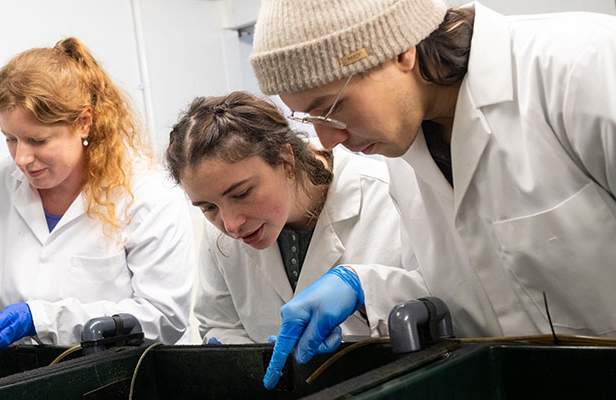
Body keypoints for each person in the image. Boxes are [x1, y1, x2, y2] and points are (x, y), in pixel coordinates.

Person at [249, 0, 616, 387]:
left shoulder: (584, 67)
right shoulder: (404, 152)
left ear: (400, 50)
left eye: (333, 107)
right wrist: (363, 287)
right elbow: (483, 286)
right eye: (310, 120)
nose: (329, 141)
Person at [0, 37, 195, 364]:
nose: (21, 157)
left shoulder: (145, 190)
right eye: (10, 139)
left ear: (83, 122)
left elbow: (163, 317)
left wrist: (41, 319)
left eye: (38, 140)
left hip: (132, 376)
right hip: (37, 373)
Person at [166, 91, 428, 387]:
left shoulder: (388, 195)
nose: (231, 224)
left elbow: (445, 303)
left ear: (286, 160)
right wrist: (249, 362)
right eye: (208, 208)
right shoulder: (221, 235)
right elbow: (218, 323)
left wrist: (365, 292)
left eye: (241, 194)